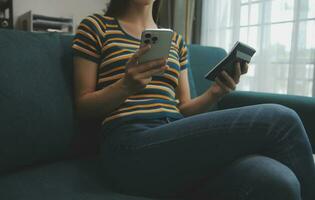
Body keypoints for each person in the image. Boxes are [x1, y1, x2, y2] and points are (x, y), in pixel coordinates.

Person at [72, 0, 315, 199]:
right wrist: (125, 86)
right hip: (128, 145)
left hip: (174, 138)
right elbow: (83, 106)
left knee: (278, 180)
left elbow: (185, 108)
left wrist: (216, 92)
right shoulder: (96, 27)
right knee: (280, 119)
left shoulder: (176, 42)